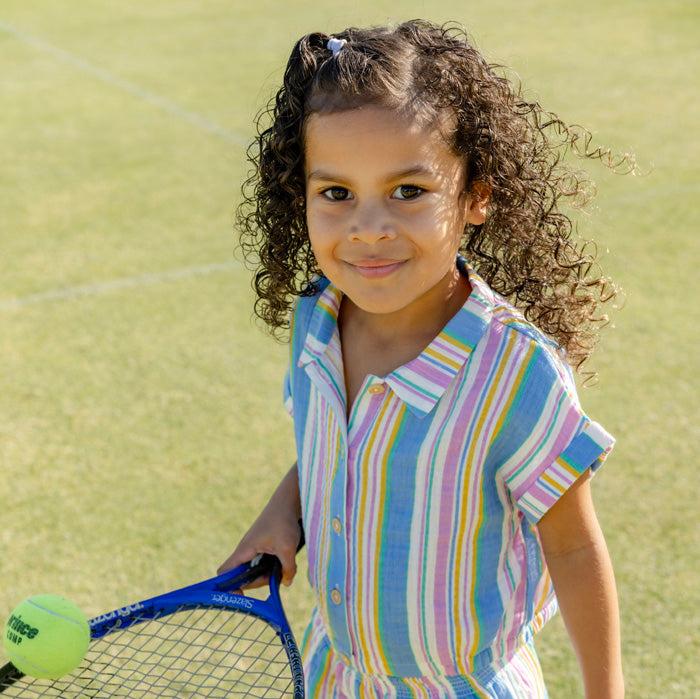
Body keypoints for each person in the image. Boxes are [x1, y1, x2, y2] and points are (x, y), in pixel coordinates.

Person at [218, 18, 632, 698]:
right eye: (336, 193)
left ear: (477, 195)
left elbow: (575, 547)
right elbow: (342, 445)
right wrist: (281, 511)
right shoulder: (317, 324)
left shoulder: (515, 372)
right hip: (335, 676)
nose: (369, 227)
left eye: (408, 191)